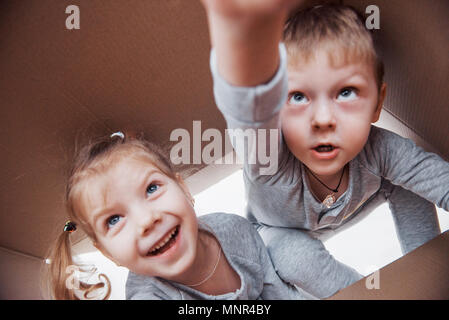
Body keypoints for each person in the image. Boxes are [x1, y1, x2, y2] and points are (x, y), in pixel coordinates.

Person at [200, 0, 449, 298]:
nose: (322, 120)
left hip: (352, 205)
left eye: (346, 92)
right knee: (294, 257)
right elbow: (247, 112)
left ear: (377, 103)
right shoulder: (268, 162)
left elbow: (438, 179)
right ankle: (367, 294)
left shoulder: (381, 148)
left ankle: (425, 263)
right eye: (298, 97)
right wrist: (232, 28)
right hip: (278, 228)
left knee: (410, 182)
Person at [44, 132, 311, 300]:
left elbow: (277, 290)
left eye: (151, 189)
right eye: (114, 220)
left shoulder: (235, 229)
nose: (147, 221)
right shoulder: (149, 295)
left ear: (184, 189)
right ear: (108, 254)